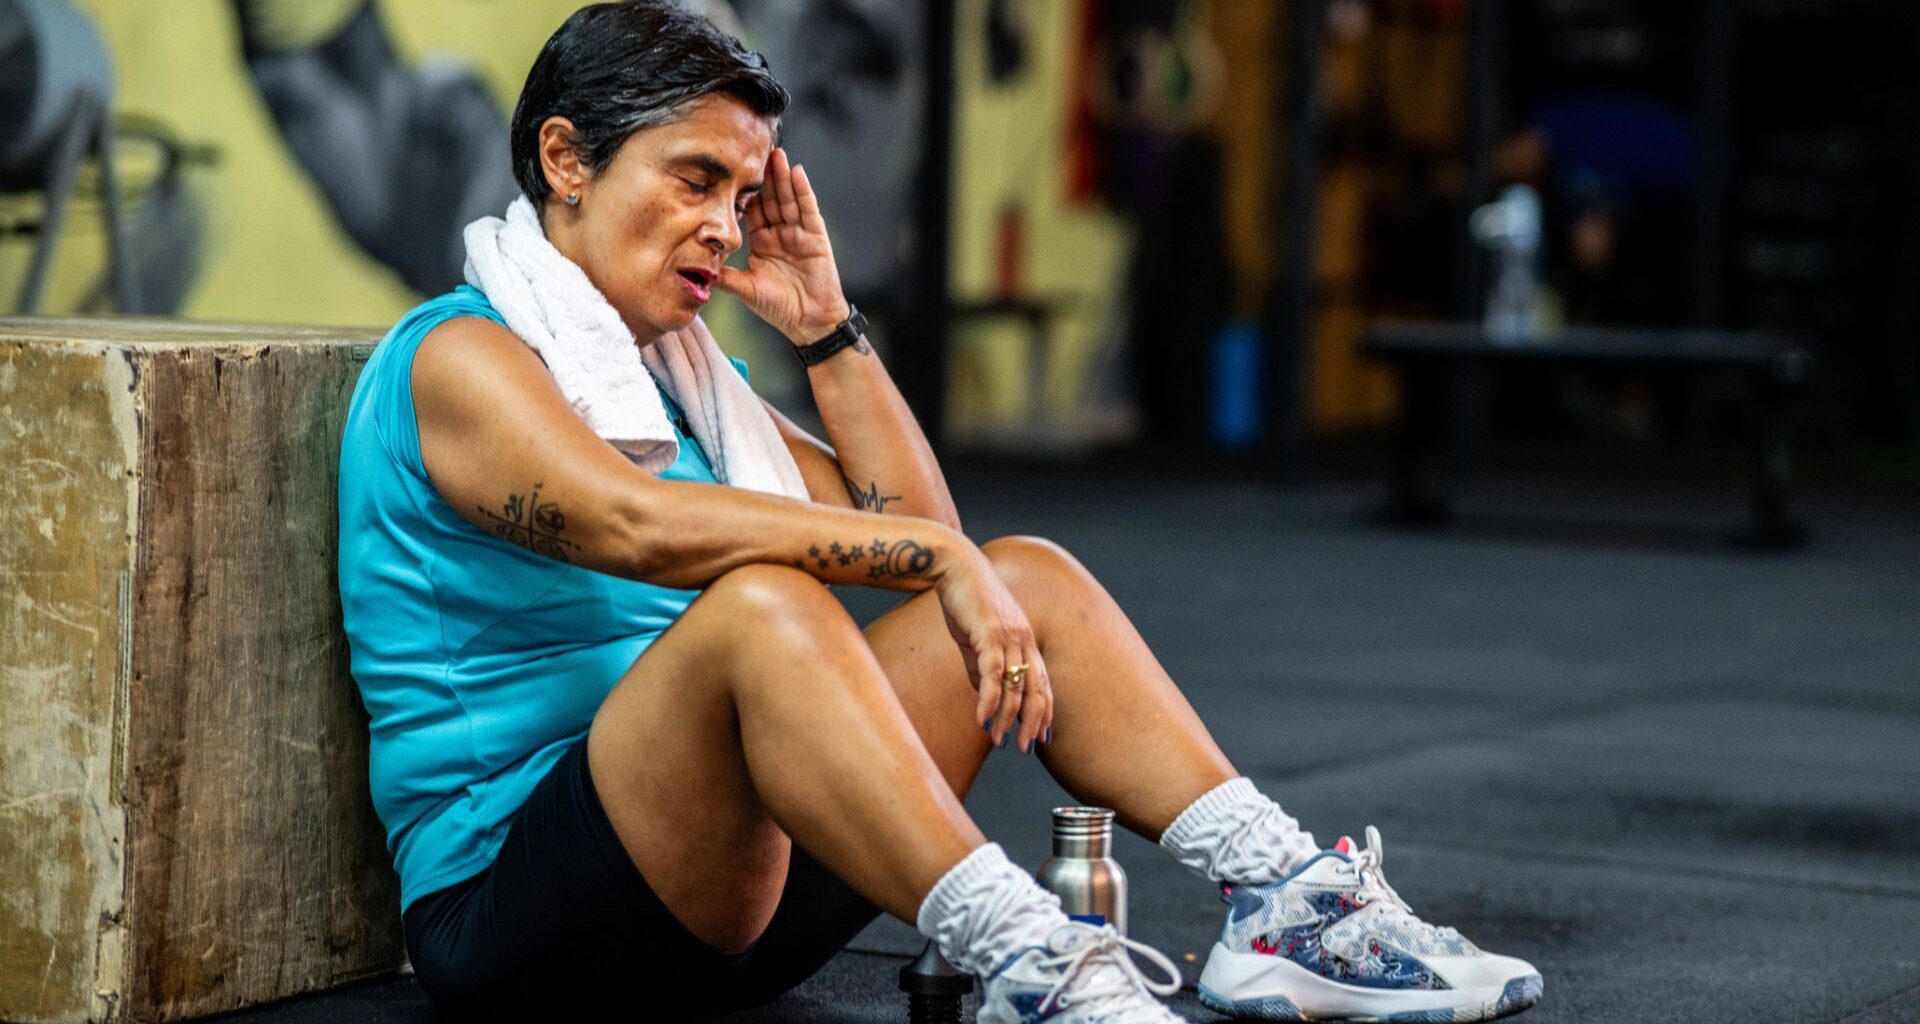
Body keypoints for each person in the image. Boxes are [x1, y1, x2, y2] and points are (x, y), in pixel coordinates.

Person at [335, 4, 1544, 1021]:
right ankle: (1039, 963)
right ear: (565, 160)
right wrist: (929, 557)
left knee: (1022, 576)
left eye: (742, 192)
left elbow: (933, 543)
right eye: (694, 178)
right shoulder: (460, 357)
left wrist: (827, 330)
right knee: (763, 610)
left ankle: (1286, 905)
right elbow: (635, 527)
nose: (722, 224)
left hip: (721, 891)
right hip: (525, 924)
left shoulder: (679, 382)